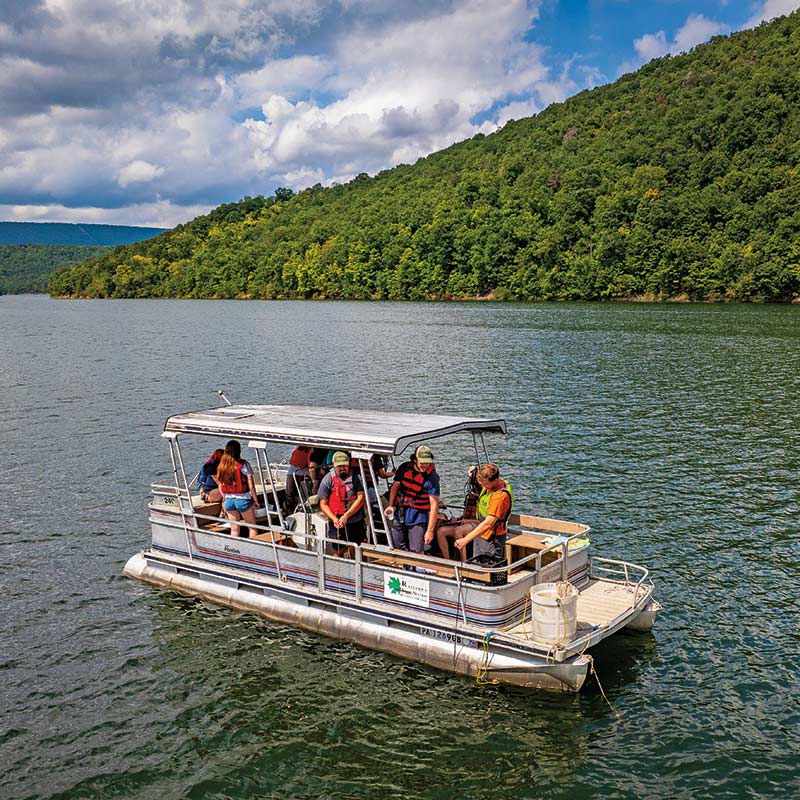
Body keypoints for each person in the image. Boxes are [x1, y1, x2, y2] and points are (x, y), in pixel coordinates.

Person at [450, 463, 514, 563]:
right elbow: (486, 474)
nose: (483, 486)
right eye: (482, 483)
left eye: (485, 484)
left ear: (496, 480)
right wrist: (474, 472)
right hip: (480, 534)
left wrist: (465, 540)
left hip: (492, 537)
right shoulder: (490, 484)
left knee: (489, 564)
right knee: (477, 563)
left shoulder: (500, 496)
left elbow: (488, 523)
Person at [384, 445, 440, 554]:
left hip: (418, 515)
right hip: (400, 511)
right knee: (396, 544)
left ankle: (417, 568)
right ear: (415, 460)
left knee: (416, 549)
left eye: (427, 462)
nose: (425, 465)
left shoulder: (432, 477)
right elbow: (395, 486)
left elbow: (434, 505)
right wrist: (391, 505)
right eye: (422, 462)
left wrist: (430, 531)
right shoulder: (404, 468)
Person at [317, 451, 367, 556]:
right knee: (337, 550)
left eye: (345, 465)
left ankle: (357, 568)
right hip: (336, 521)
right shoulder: (327, 480)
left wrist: (346, 515)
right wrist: (334, 519)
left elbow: (361, 497)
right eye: (339, 466)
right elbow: (323, 504)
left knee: (356, 548)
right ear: (334, 466)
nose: (342, 468)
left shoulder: (357, 477)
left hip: (354, 519)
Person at [215, 440, 260, 537]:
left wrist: (225, 497)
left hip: (228, 501)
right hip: (242, 499)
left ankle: (234, 549)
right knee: (252, 527)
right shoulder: (244, 464)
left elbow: (220, 483)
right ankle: (254, 549)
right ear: (239, 450)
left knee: (234, 529)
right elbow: (251, 485)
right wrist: (255, 500)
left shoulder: (222, 466)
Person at [284, 445, 311, 514]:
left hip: (303, 472)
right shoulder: (299, 446)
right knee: (289, 493)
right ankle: (289, 511)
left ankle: (300, 512)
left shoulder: (313, 449)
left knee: (301, 496)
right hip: (292, 470)